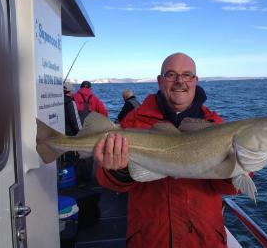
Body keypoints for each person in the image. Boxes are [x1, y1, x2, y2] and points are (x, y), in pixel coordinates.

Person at [94, 53, 241, 248]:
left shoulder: (215, 125)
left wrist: (243, 162)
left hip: (204, 240)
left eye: (187, 75)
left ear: (195, 81)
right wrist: (119, 170)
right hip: (150, 239)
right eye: (171, 74)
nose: (180, 81)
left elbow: (231, 188)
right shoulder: (134, 122)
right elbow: (109, 181)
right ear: (160, 80)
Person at [74, 81, 108, 184]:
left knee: (76, 152)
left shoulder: (74, 97)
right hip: (90, 131)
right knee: (89, 153)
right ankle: (88, 178)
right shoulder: (95, 99)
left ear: (80, 87)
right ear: (90, 88)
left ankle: (78, 177)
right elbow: (104, 113)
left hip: (76, 129)